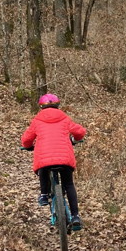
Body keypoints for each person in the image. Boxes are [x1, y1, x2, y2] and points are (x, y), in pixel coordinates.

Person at [21, 94, 87, 230]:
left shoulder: (37, 120)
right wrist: (75, 140)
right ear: (58, 105)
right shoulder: (64, 118)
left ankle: (44, 195)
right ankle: (75, 216)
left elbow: (26, 139)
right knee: (68, 184)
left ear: (41, 107)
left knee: (43, 168)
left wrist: (28, 146)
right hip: (64, 158)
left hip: (44, 158)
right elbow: (79, 132)